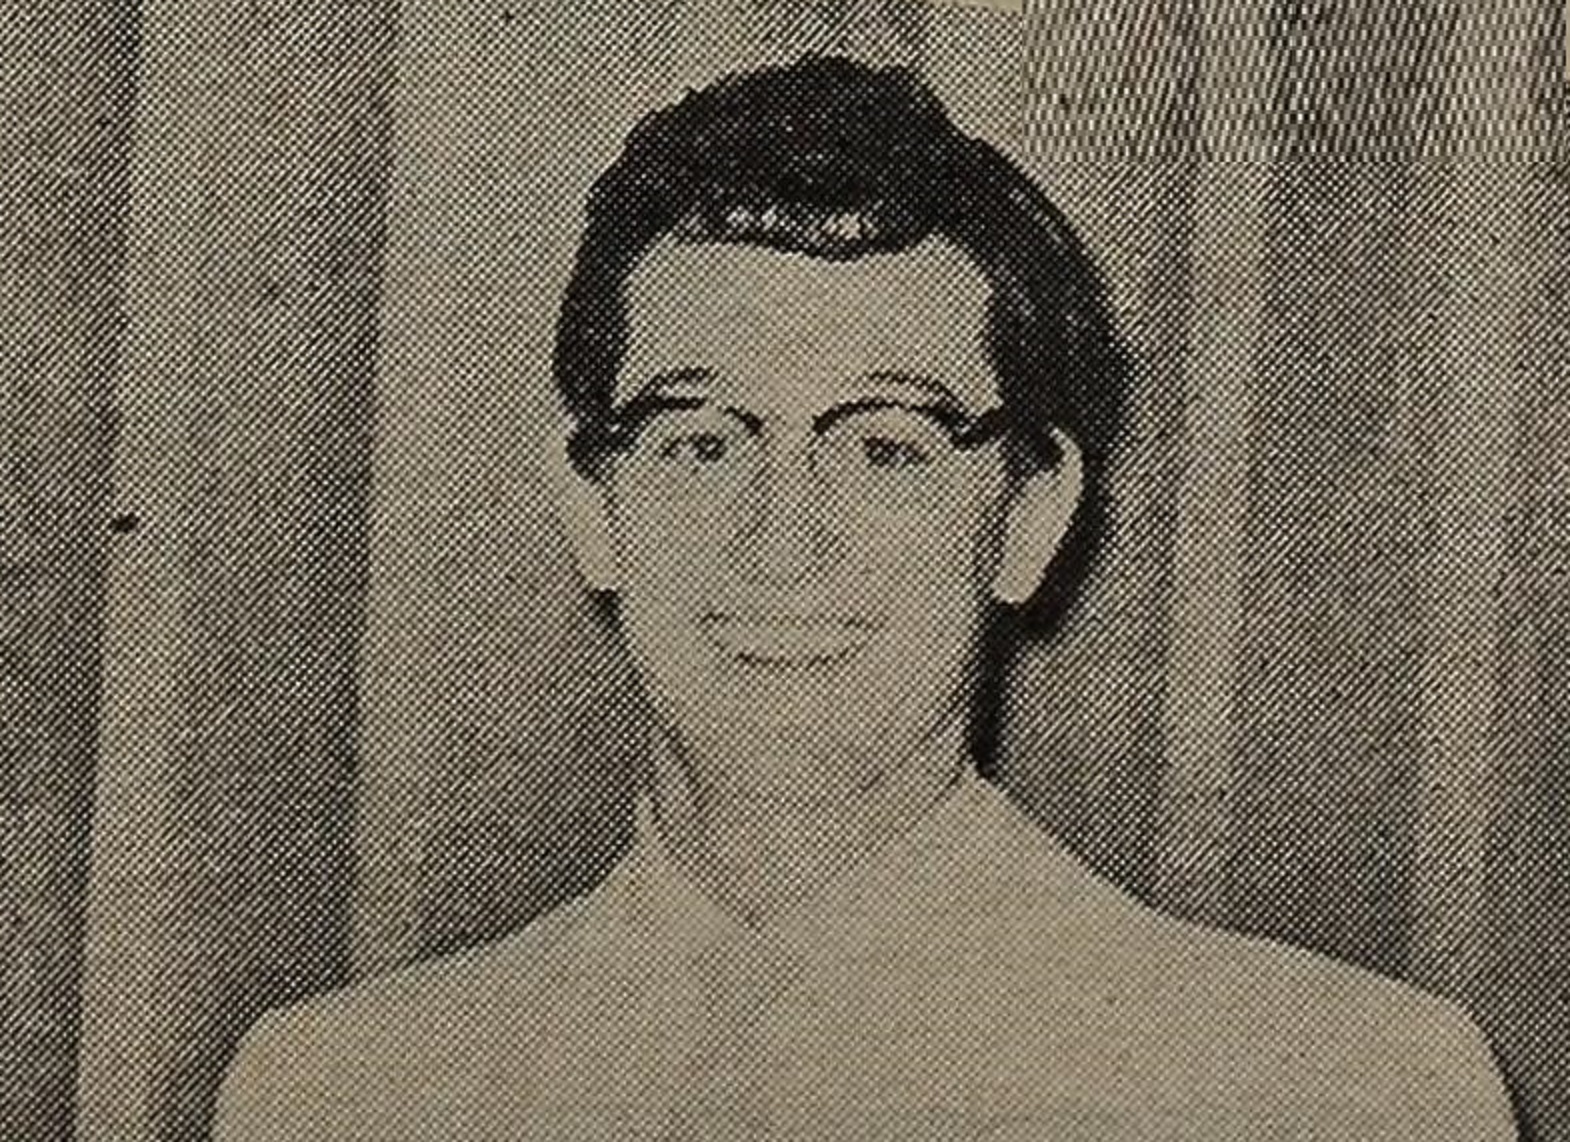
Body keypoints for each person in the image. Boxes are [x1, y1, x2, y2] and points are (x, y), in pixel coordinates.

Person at [215, 55, 1518, 1141]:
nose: (781, 542)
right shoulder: (338, 1093)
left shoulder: (1339, 1089)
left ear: (1024, 515)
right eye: (701, 440)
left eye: (884, 445)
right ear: (592, 503)